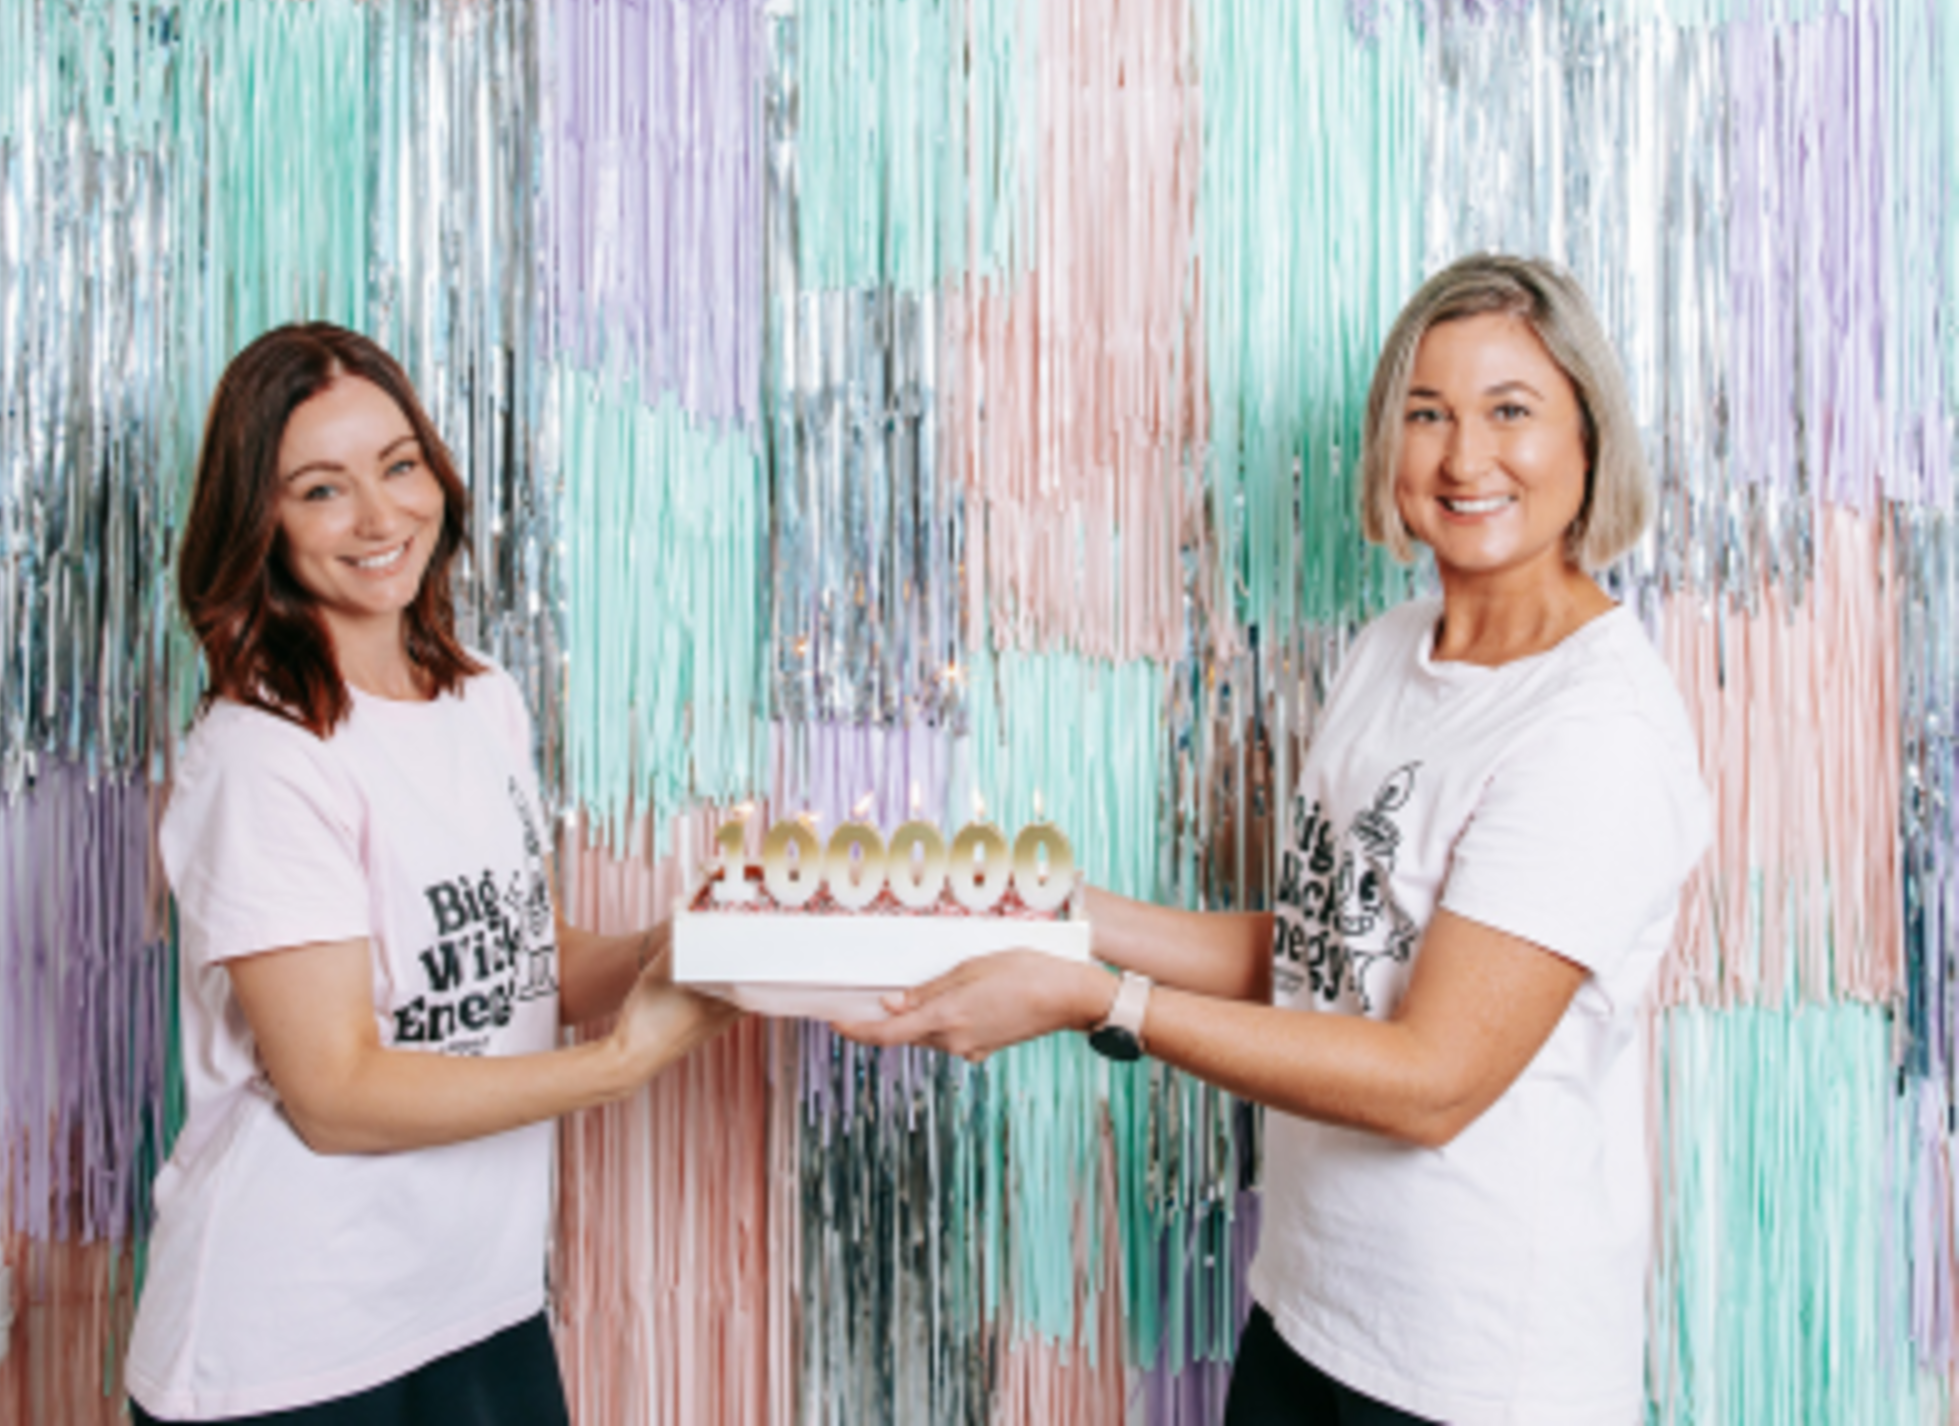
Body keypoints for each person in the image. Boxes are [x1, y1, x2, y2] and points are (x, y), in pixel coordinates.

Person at [841, 254, 1710, 1426]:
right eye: (1425, 413)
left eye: (1510, 410)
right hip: (1307, 1315)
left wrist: (1097, 997)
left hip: (1474, 1373)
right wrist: (1043, 908)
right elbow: (1319, 954)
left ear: (1588, 438)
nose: (1463, 457)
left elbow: (1431, 1079)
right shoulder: (1390, 648)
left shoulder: (1593, 729)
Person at [126, 324, 736, 1425]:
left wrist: (688, 940)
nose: (379, 516)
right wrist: (616, 1065)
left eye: (399, 465)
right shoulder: (263, 754)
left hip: (474, 1301)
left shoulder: (480, 696)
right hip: (289, 1347)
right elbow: (335, 1091)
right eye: (321, 489)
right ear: (259, 523)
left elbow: (525, 959)